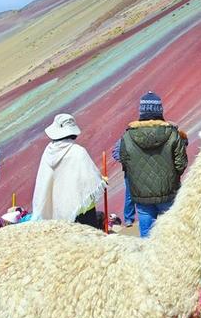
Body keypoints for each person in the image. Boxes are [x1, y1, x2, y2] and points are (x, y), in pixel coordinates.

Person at [119, 92, 188, 238]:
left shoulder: (128, 136)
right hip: (168, 193)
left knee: (147, 236)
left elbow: (125, 163)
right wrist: (172, 178)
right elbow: (181, 163)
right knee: (170, 235)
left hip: (141, 195)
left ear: (142, 112)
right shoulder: (172, 133)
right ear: (160, 111)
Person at [32, 114, 106, 228]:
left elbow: (43, 181)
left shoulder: (48, 152)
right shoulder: (78, 152)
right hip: (82, 209)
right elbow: (91, 180)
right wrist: (102, 180)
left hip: (58, 208)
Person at [112, 139, 135, 227]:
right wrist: (126, 161)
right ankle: (129, 219)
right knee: (130, 195)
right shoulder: (124, 138)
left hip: (144, 170)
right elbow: (115, 152)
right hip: (130, 171)